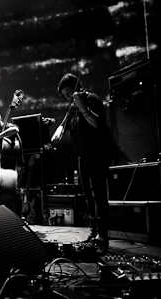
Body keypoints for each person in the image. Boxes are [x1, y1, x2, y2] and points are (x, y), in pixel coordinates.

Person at [51, 73, 110, 250]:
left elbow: (98, 123)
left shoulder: (90, 99)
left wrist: (82, 107)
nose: (68, 96)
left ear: (76, 86)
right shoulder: (72, 107)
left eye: (69, 92)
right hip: (83, 157)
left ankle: (103, 235)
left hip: (97, 154)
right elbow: (64, 125)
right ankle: (94, 231)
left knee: (99, 195)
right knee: (88, 196)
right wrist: (57, 133)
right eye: (65, 94)